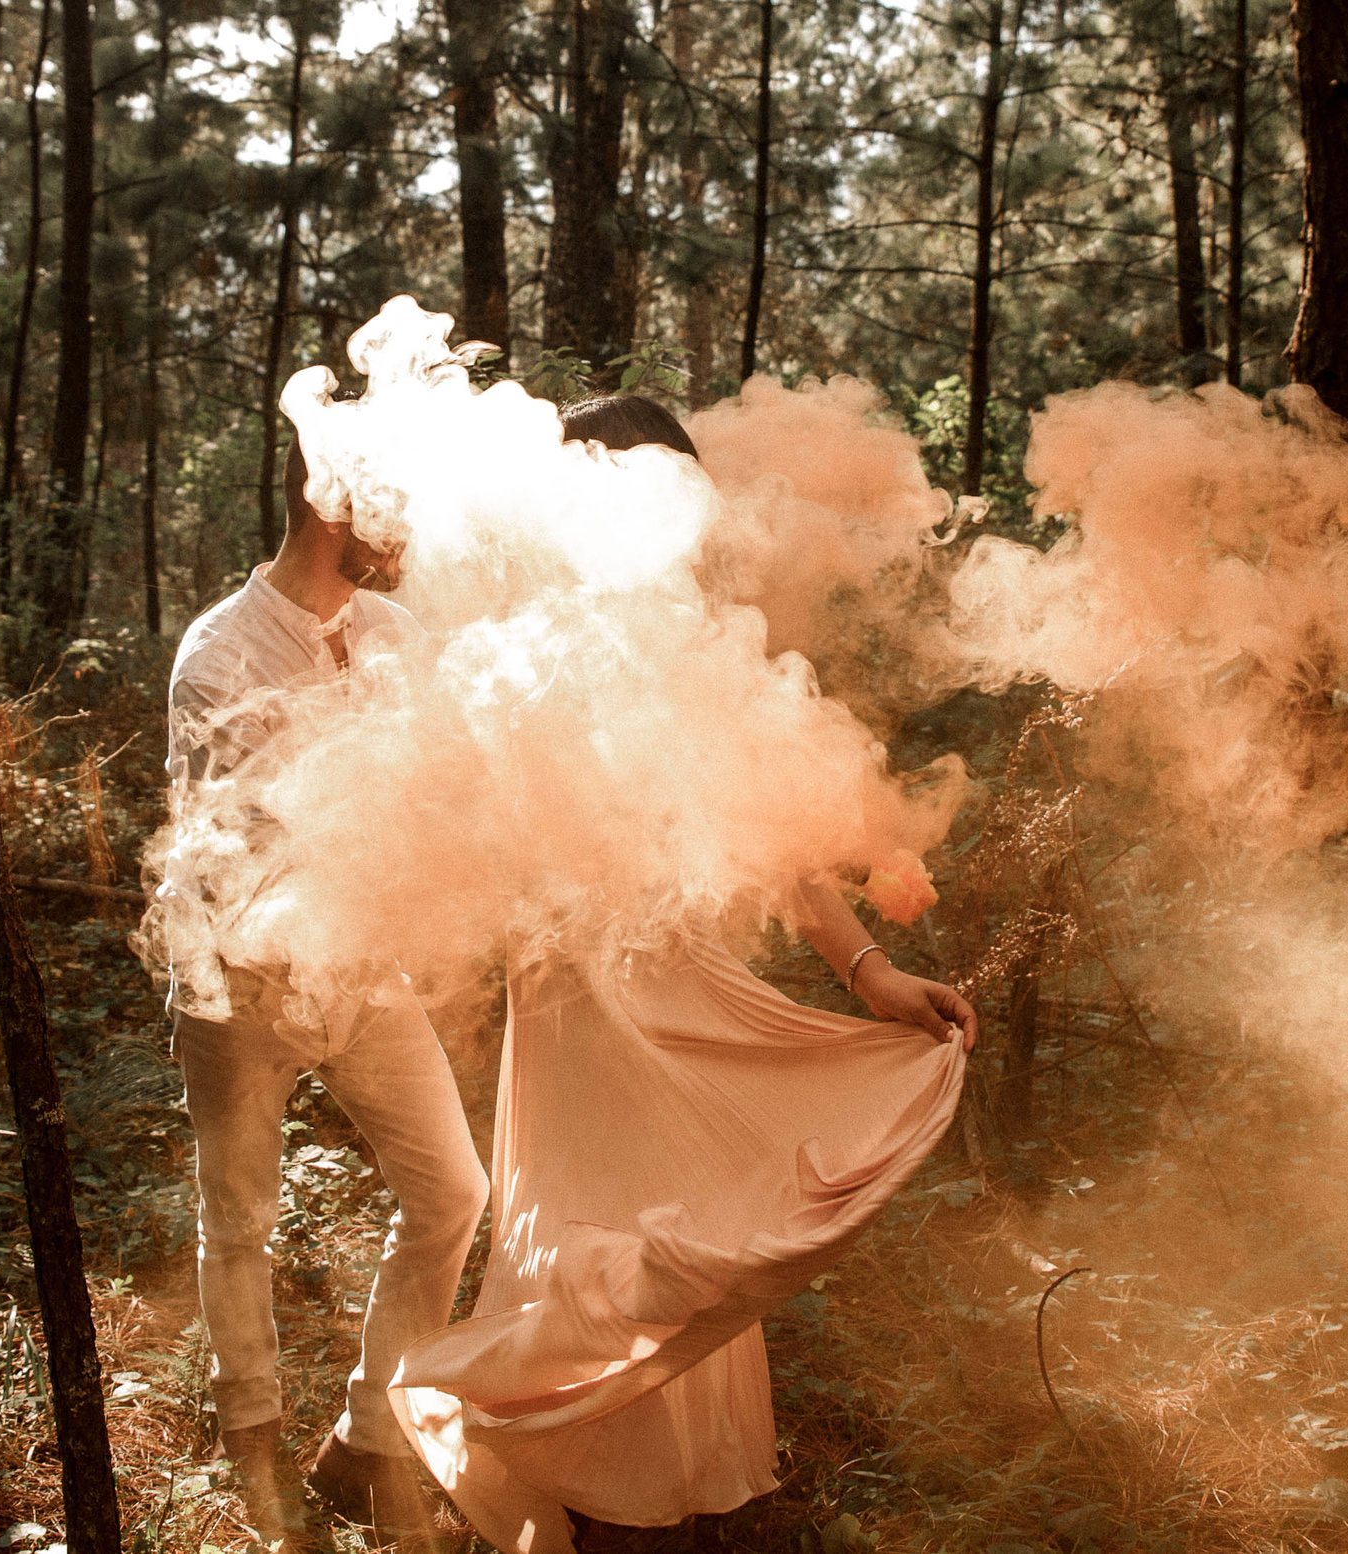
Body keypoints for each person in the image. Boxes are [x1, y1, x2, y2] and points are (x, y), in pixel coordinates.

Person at [385, 396, 978, 1554]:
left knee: (680, 1228)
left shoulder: (695, 636)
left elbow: (778, 841)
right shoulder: (526, 640)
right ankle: (586, 1484)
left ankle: (644, 1503)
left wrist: (872, 978)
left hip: (674, 983)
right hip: (572, 990)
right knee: (589, 1220)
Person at [165, 439, 488, 1551]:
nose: (408, 540)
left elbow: (452, 778)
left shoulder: (395, 633)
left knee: (452, 1191)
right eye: (392, 513)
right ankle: (256, 1454)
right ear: (330, 501)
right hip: (241, 978)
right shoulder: (217, 653)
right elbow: (266, 833)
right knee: (238, 1218)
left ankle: (363, 1443)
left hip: (363, 970)